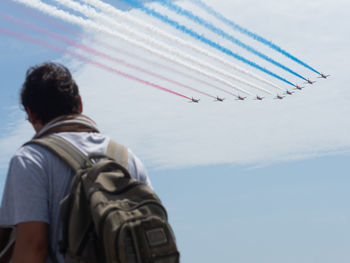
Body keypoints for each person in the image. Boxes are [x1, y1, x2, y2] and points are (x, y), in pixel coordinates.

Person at [0, 62, 152, 263]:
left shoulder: (31, 159)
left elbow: (33, 246)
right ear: (80, 104)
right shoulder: (127, 158)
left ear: (30, 114)